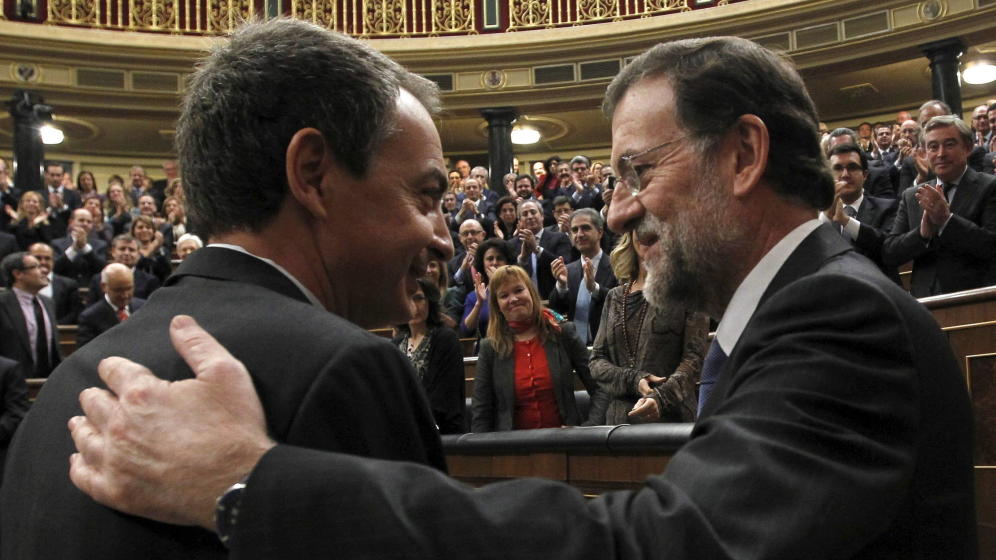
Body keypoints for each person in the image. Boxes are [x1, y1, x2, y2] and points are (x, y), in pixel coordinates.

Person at [65, 36, 976, 559]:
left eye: (635, 170)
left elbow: (660, 550)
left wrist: (251, 484)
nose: (615, 208)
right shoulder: (798, 313)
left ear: (743, 155)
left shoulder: (837, 316)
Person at [3, 18, 453, 560]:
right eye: (427, 197)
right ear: (313, 176)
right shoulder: (346, 370)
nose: (444, 240)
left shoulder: (63, 388)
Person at [588, 232, 706, 425]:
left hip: (672, 422)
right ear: (631, 234)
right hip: (619, 425)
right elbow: (596, 361)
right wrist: (634, 380)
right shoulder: (614, 297)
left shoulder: (689, 291)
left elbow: (694, 360)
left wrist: (659, 398)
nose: (647, 231)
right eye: (640, 225)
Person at [471, 265, 599, 432]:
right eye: (504, 295)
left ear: (531, 292)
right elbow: (481, 412)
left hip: (566, 446)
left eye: (518, 290)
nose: (513, 299)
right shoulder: (490, 348)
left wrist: (588, 429)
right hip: (512, 451)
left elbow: (599, 387)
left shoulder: (562, 333)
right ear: (497, 305)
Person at [883, 115, 996, 297]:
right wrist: (922, 235)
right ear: (925, 152)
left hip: (977, 300)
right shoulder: (912, 195)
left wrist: (947, 221)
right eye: (933, 147)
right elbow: (890, 252)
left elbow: (991, 246)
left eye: (949, 145)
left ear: (967, 148)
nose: (941, 154)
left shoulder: (990, 187)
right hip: (925, 302)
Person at [392, 279, 464, 434]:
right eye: (407, 298)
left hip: (439, 430)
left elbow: (444, 396)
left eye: (418, 298)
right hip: (402, 428)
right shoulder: (396, 343)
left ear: (429, 302)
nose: (413, 305)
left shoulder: (445, 339)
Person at [547, 208, 617, 344]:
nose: (579, 234)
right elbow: (556, 309)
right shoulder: (568, 270)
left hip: (609, 345)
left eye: (585, 228)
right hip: (576, 347)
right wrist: (561, 286)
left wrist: (595, 288)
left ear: (600, 232)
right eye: (574, 230)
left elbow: (621, 303)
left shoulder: (617, 266)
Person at [0, 252, 60, 378]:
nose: (44, 270)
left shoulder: (47, 302)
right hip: (12, 384)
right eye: (36, 267)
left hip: (48, 381)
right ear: (18, 274)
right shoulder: (3, 303)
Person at [76, 263, 145, 348]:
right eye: (118, 290)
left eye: (129, 288)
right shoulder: (89, 317)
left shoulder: (144, 308)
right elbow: (85, 354)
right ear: (104, 287)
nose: (125, 295)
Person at [460, 237, 514, 338]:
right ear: (483, 264)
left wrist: (499, 285)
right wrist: (479, 303)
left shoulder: (517, 290)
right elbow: (465, 331)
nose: (494, 262)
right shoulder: (474, 296)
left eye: (500, 258)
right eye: (490, 259)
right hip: (487, 348)